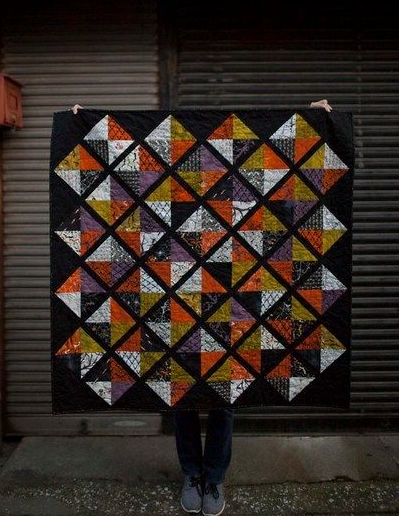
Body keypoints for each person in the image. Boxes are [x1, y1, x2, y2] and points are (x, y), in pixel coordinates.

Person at [70, 98, 333, 516]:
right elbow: (131, 187)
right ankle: (192, 472)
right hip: (176, 302)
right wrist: (86, 124)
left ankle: (215, 478)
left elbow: (275, 159)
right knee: (181, 396)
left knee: (224, 398)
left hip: (230, 303)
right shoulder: (169, 176)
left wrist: (311, 117)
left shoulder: (239, 178)